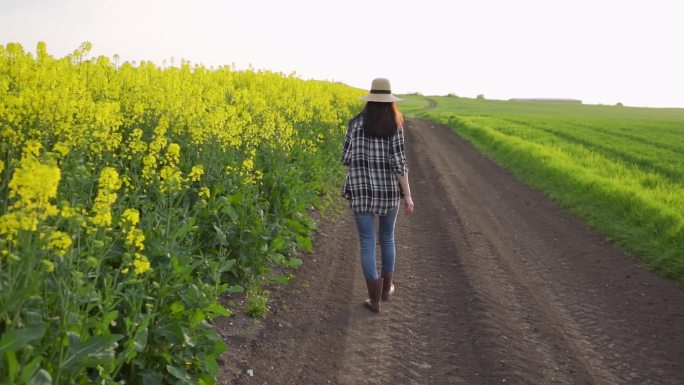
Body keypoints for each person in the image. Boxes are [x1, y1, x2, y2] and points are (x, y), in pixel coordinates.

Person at [342, 78, 414, 313]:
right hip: (388, 192)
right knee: (387, 237)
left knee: (367, 241)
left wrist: (364, 168)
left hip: (360, 190)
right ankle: (385, 290)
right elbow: (399, 164)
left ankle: (373, 299)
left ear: (370, 99)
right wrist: (408, 196)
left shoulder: (354, 124)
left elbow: (346, 159)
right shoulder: (395, 124)